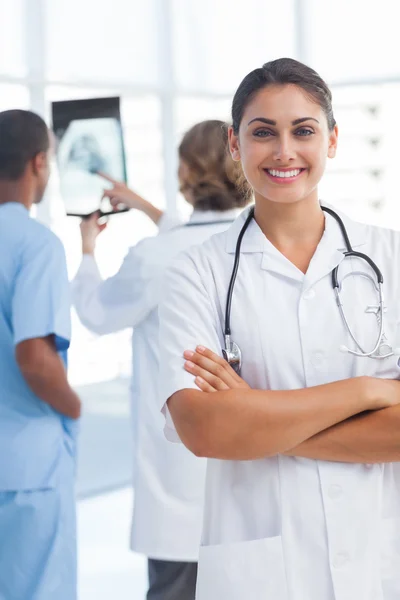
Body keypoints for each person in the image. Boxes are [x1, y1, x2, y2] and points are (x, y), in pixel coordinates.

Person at [158, 58, 400, 600]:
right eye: (263, 132)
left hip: (382, 561)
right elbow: (205, 430)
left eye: (304, 131)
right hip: (263, 573)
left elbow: (233, 429)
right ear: (235, 145)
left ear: (332, 140)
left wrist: (255, 416)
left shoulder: (392, 257)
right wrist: (369, 392)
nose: (284, 151)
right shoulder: (197, 273)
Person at [72, 120, 251, 600]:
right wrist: (146, 206)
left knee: (176, 588)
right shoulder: (258, 245)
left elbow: (97, 313)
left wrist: (88, 250)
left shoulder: (158, 256)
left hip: (178, 477)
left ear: (185, 172)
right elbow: (196, 236)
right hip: (254, 467)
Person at [0, 110, 81, 600]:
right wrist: (73, 407)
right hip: (25, 467)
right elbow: (33, 356)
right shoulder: (35, 244)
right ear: (38, 163)